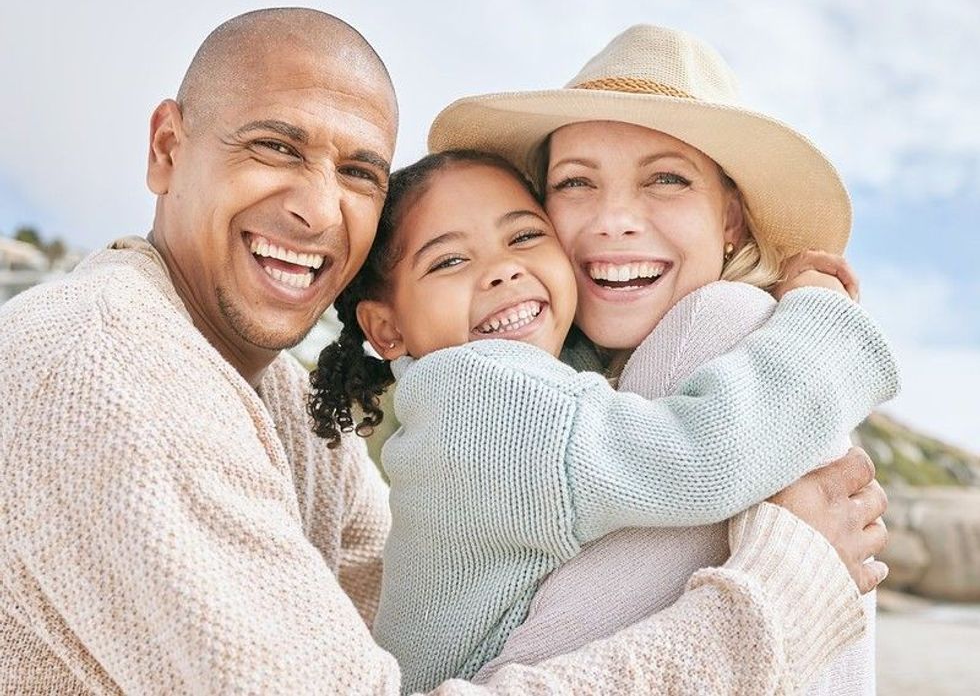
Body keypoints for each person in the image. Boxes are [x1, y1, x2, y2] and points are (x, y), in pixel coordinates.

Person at [0, 8, 888, 695]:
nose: (317, 209)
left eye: (358, 173)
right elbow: (694, 458)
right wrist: (777, 599)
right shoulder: (111, 366)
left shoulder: (281, 406)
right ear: (167, 148)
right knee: (730, 332)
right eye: (275, 147)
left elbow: (393, 613)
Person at [310, 147, 897, 692]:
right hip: (487, 674)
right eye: (450, 260)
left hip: (523, 647)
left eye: (524, 236)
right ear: (385, 329)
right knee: (738, 325)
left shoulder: (547, 371)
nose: (503, 271)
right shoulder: (471, 394)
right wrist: (821, 317)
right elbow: (700, 457)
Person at [430, 25, 886, 694]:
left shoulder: (722, 326)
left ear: (731, 219)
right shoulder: (545, 378)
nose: (614, 218)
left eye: (666, 178)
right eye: (576, 182)